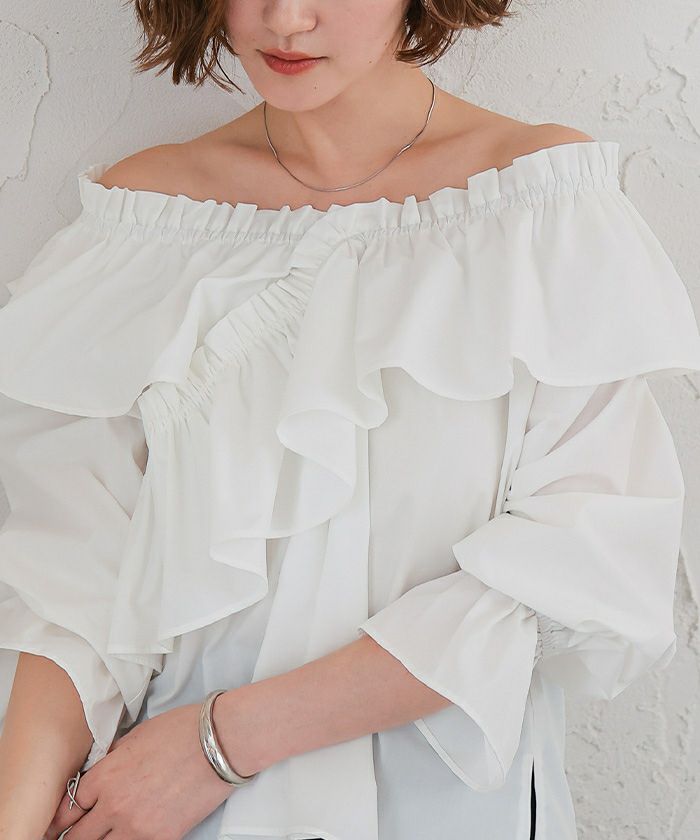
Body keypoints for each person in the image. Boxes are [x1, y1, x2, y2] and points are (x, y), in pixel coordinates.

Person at [1, 1, 699, 839]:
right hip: (156, 814)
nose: (286, 18)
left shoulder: (538, 205)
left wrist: (216, 747)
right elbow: (71, 589)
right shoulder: (142, 223)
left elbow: (578, 560)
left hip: (442, 811)